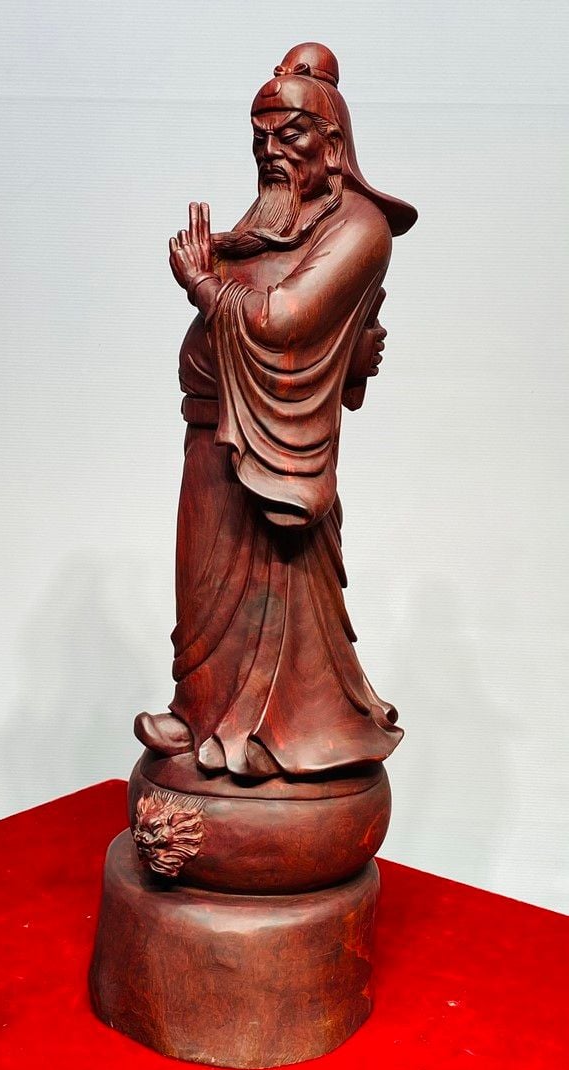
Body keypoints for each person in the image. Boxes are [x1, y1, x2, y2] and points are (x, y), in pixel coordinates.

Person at [135, 43, 417, 778]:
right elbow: (253, 292)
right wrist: (222, 262)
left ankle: (271, 735)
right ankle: (199, 708)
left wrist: (203, 285)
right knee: (202, 586)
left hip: (277, 443)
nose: (270, 152)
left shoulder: (358, 228)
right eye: (260, 138)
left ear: (333, 142)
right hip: (212, 426)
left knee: (270, 594)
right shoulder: (272, 218)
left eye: (288, 135)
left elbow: (285, 319)